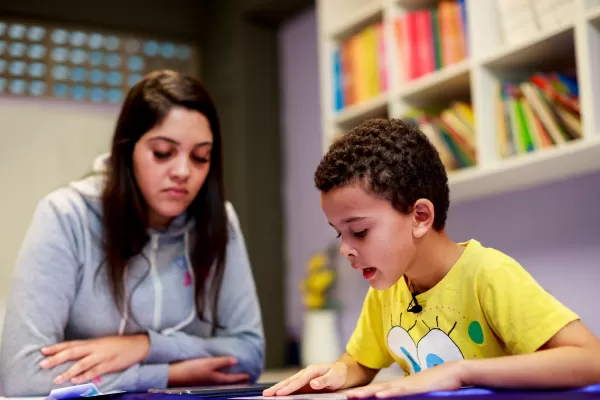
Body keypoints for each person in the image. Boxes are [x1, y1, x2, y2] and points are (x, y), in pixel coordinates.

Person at [263, 118, 600, 398]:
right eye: (340, 233)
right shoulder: (386, 288)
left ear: (420, 216)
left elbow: (592, 359)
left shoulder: (489, 274)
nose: (345, 249)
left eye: (360, 231)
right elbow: (362, 362)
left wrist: (459, 372)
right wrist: (338, 372)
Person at [0, 70, 265, 396]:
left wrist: (144, 346)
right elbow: (22, 378)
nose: (183, 172)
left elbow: (250, 355)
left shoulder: (220, 220)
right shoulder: (65, 216)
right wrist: (165, 375)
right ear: (126, 152)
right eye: (163, 152)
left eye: (200, 157)